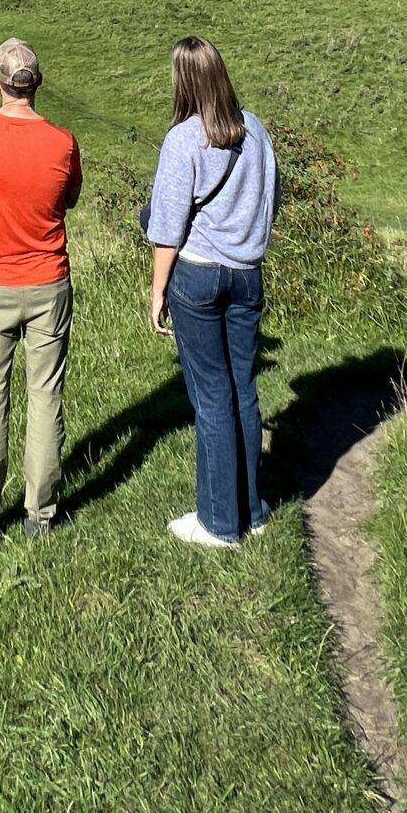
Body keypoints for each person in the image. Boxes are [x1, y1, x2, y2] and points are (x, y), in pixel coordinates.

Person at [145, 35, 278, 549]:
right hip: (248, 273)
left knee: (211, 396)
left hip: (198, 275)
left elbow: (167, 225)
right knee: (243, 388)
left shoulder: (184, 140)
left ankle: (219, 523)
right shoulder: (256, 130)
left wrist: (158, 290)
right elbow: (271, 198)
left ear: (183, 81)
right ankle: (252, 509)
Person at [0, 38, 82, 545]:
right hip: (48, 280)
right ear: (37, 85)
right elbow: (69, 199)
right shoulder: (62, 142)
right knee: (45, 394)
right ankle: (41, 515)